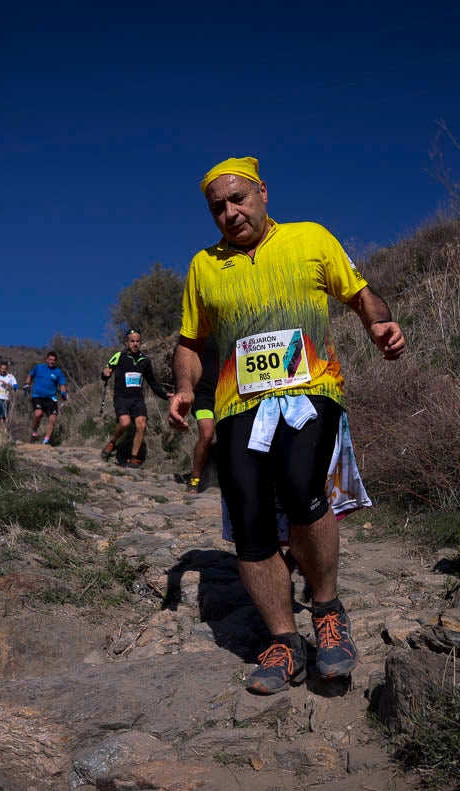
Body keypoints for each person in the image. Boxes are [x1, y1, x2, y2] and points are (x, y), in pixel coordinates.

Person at [168, 156, 405, 695]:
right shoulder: (204, 266)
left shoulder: (310, 238)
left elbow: (359, 292)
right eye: (217, 207)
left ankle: (327, 610)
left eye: (238, 199)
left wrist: (380, 322)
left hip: (309, 391)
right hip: (237, 406)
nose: (229, 213)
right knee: (249, 524)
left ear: (263, 193)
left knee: (302, 490)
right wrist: (185, 388)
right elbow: (189, 342)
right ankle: (283, 640)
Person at [101, 330, 171, 467]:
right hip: (121, 397)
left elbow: (152, 382)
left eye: (137, 341)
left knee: (142, 424)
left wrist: (165, 395)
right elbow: (106, 371)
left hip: (137, 399)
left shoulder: (144, 361)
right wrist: (105, 374)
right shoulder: (119, 356)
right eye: (132, 341)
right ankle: (113, 442)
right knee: (125, 423)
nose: (135, 344)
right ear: (127, 342)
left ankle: (133, 458)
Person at [186, 338, 218, 493]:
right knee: (207, 434)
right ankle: (195, 477)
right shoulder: (198, 334)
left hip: (227, 393)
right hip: (203, 395)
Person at [25, 351, 67, 445]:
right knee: (38, 414)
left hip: (51, 398)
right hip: (38, 396)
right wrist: (27, 384)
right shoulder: (39, 367)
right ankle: (34, 431)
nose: (52, 362)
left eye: (54, 360)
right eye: (50, 359)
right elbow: (30, 375)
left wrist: (63, 392)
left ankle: (46, 440)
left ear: (56, 361)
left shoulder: (58, 372)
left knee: (53, 419)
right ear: (47, 359)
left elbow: (62, 384)